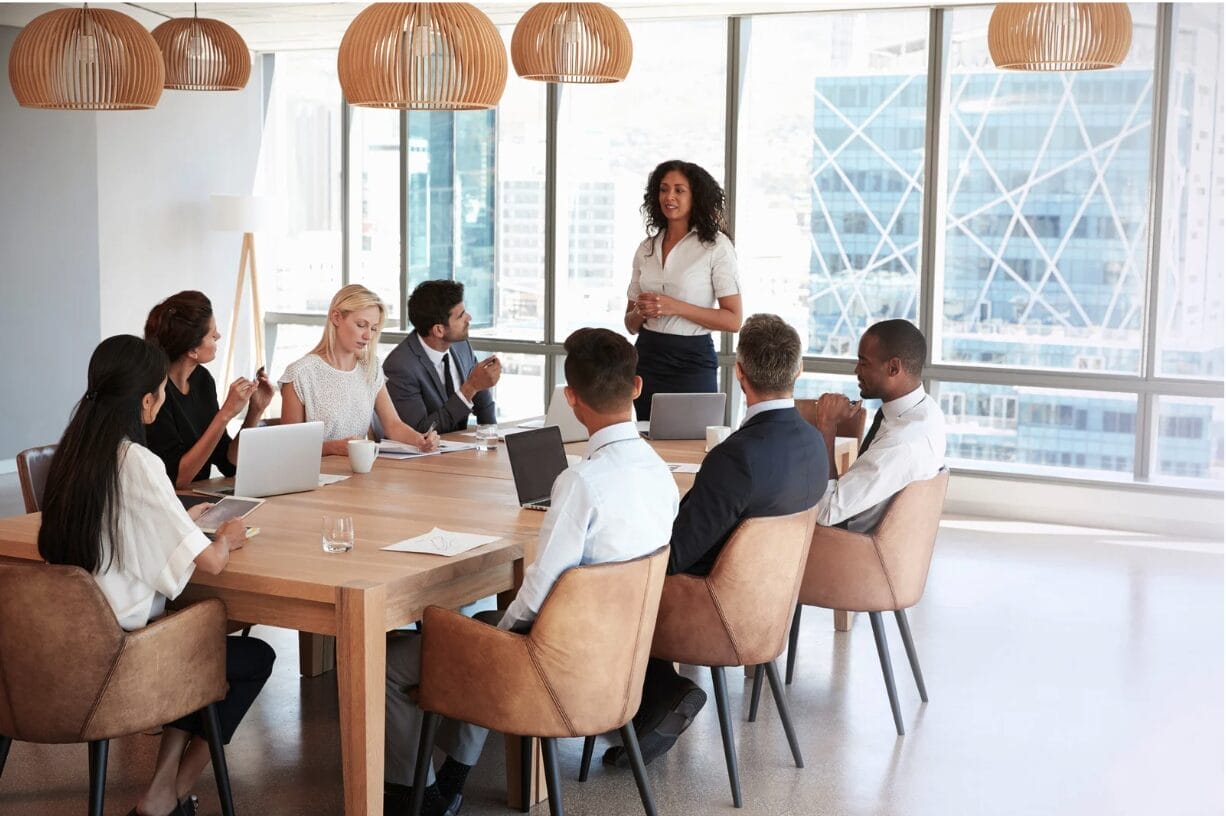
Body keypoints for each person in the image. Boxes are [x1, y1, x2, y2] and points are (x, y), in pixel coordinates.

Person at [382, 328, 680, 816]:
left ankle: (416, 798)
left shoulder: (582, 481)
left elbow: (540, 590)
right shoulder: (659, 473)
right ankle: (449, 783)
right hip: (620, 658)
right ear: (637, 387)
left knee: (396, 659)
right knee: (484, 629)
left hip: (554, 666)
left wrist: (498, 636)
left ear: (570, 398)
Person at [37, 335, 275, 816]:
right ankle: (169, 791)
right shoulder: (138, 462)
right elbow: (208, 565)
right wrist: (226, 536)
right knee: (248, 656)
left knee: (195, 642)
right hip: (121, 662)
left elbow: (114, 529)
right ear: (147, 399)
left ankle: (163, 792)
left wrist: (175, 524)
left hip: (56, 651)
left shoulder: (72, 455)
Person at [604, 313, 827, 769]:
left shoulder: (736, 456)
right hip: (766, 606)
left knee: (609, 576)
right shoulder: (813, 442)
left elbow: (677, 553)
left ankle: (661, 692)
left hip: (709, 607)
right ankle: (653, 695)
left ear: (739, 373)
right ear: (798, 371)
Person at [624, 159, 744, 420]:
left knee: (693, 442)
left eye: (679, 190)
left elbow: (733, 320)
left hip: (692, 360)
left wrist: (674, 306)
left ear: (695, 196)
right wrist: (642, 312)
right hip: (647, 357)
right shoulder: (646, 248)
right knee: (649, 439)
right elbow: (630, 324)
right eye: (664, 189)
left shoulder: (716, 247)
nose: (670, 197)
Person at [810, 319, 946, 533]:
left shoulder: (899, 444)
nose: (856, 370)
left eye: (864, 363)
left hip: (845, 545)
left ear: (893, 367)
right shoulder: (928, 411)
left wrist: (827, 426)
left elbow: (826, 512)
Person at [279, 284, 439, 456]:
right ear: (336, 317)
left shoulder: (370, 367)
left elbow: (393, 425)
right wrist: (331, 448)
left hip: (360, 471)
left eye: (373, 328)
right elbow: (289, 447)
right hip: (317, 476)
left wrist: (420, 440)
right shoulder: (300, 374)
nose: (368, 336)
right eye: (361, 325)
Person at [144, 291, 274, 489]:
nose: (218, 336)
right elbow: (177, 479)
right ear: (192, 350)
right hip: (172, 503)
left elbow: (229, 464)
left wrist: (255, 410)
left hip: (200, 498)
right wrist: (225, 415)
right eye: (212, 334)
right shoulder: (155, 394)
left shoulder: (201, 380)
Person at [384, 280, 499, 434]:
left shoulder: (460, 344)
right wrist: (469, 388)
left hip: (463, 451)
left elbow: (482, 399)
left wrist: (493, 437)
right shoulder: (400, 366)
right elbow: (421, 431)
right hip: (424, 456)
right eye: (461, 316)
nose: (469, 318)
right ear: (439, 330)